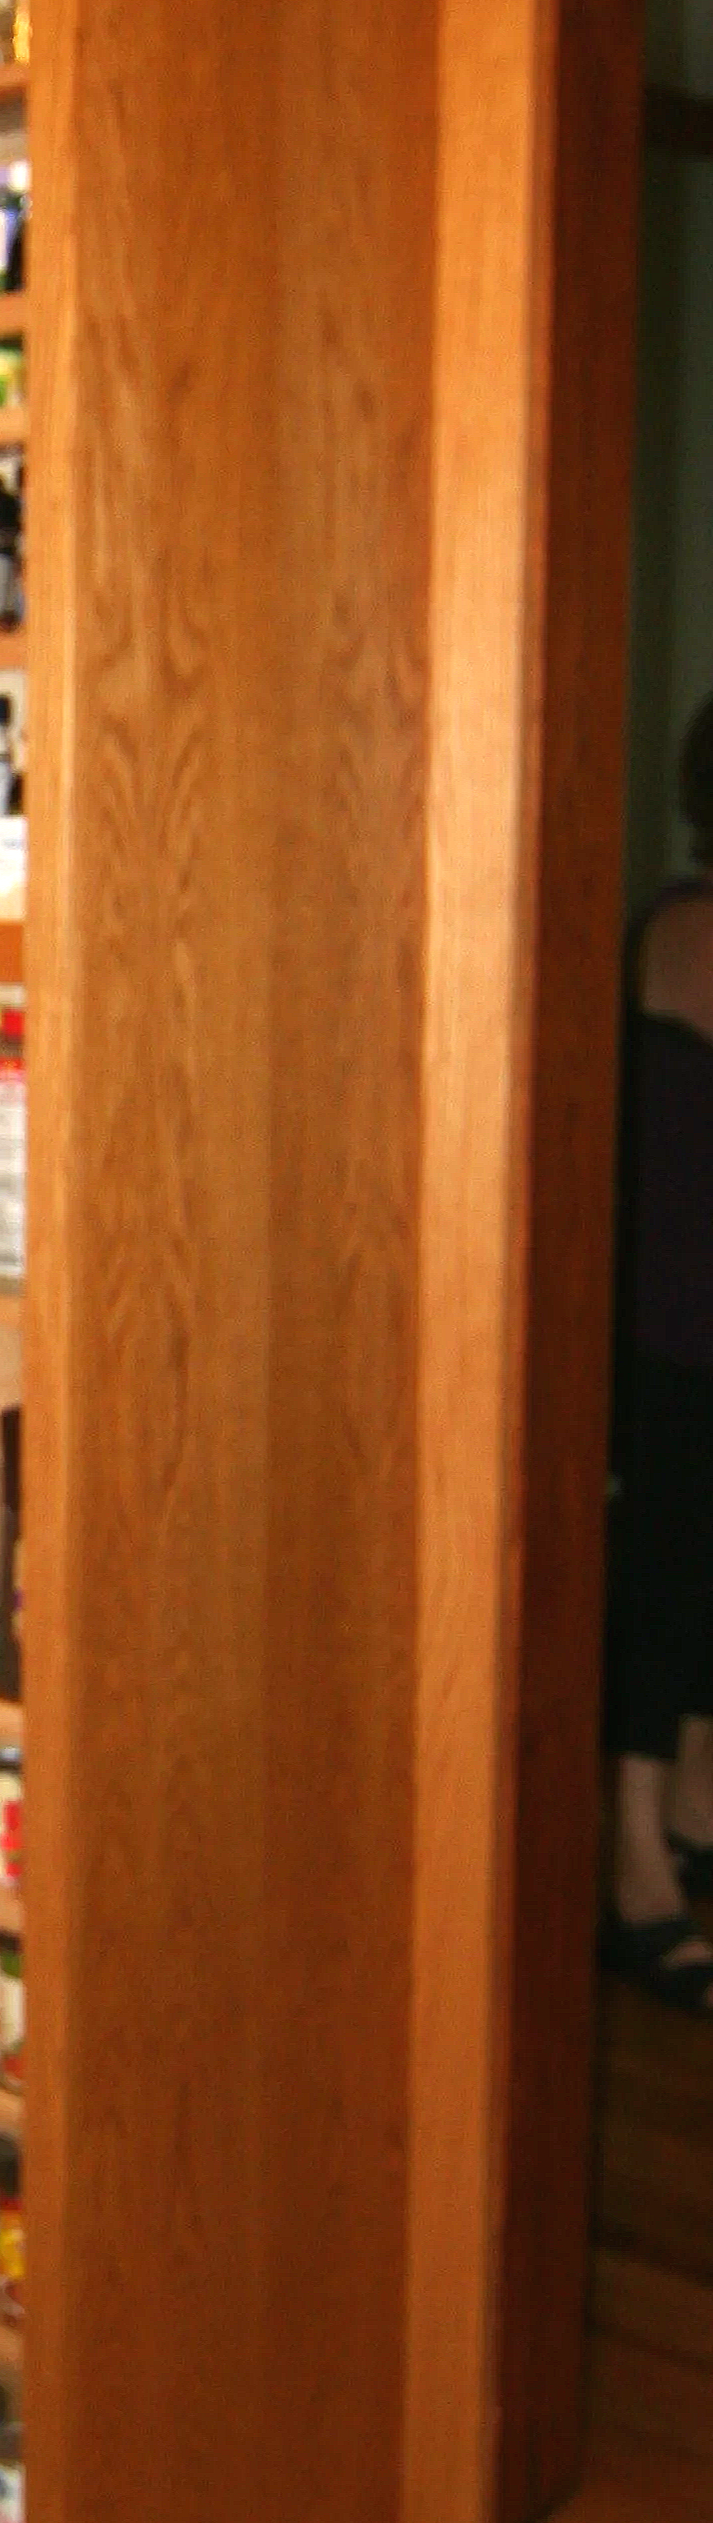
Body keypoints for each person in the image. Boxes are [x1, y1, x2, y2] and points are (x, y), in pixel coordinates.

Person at [603, 693, 713, 2010]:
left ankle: (686, 1806)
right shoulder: (685, 927)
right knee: (663, 1583)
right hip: (668, 1325)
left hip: (687, 1317)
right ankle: (630, 1859)